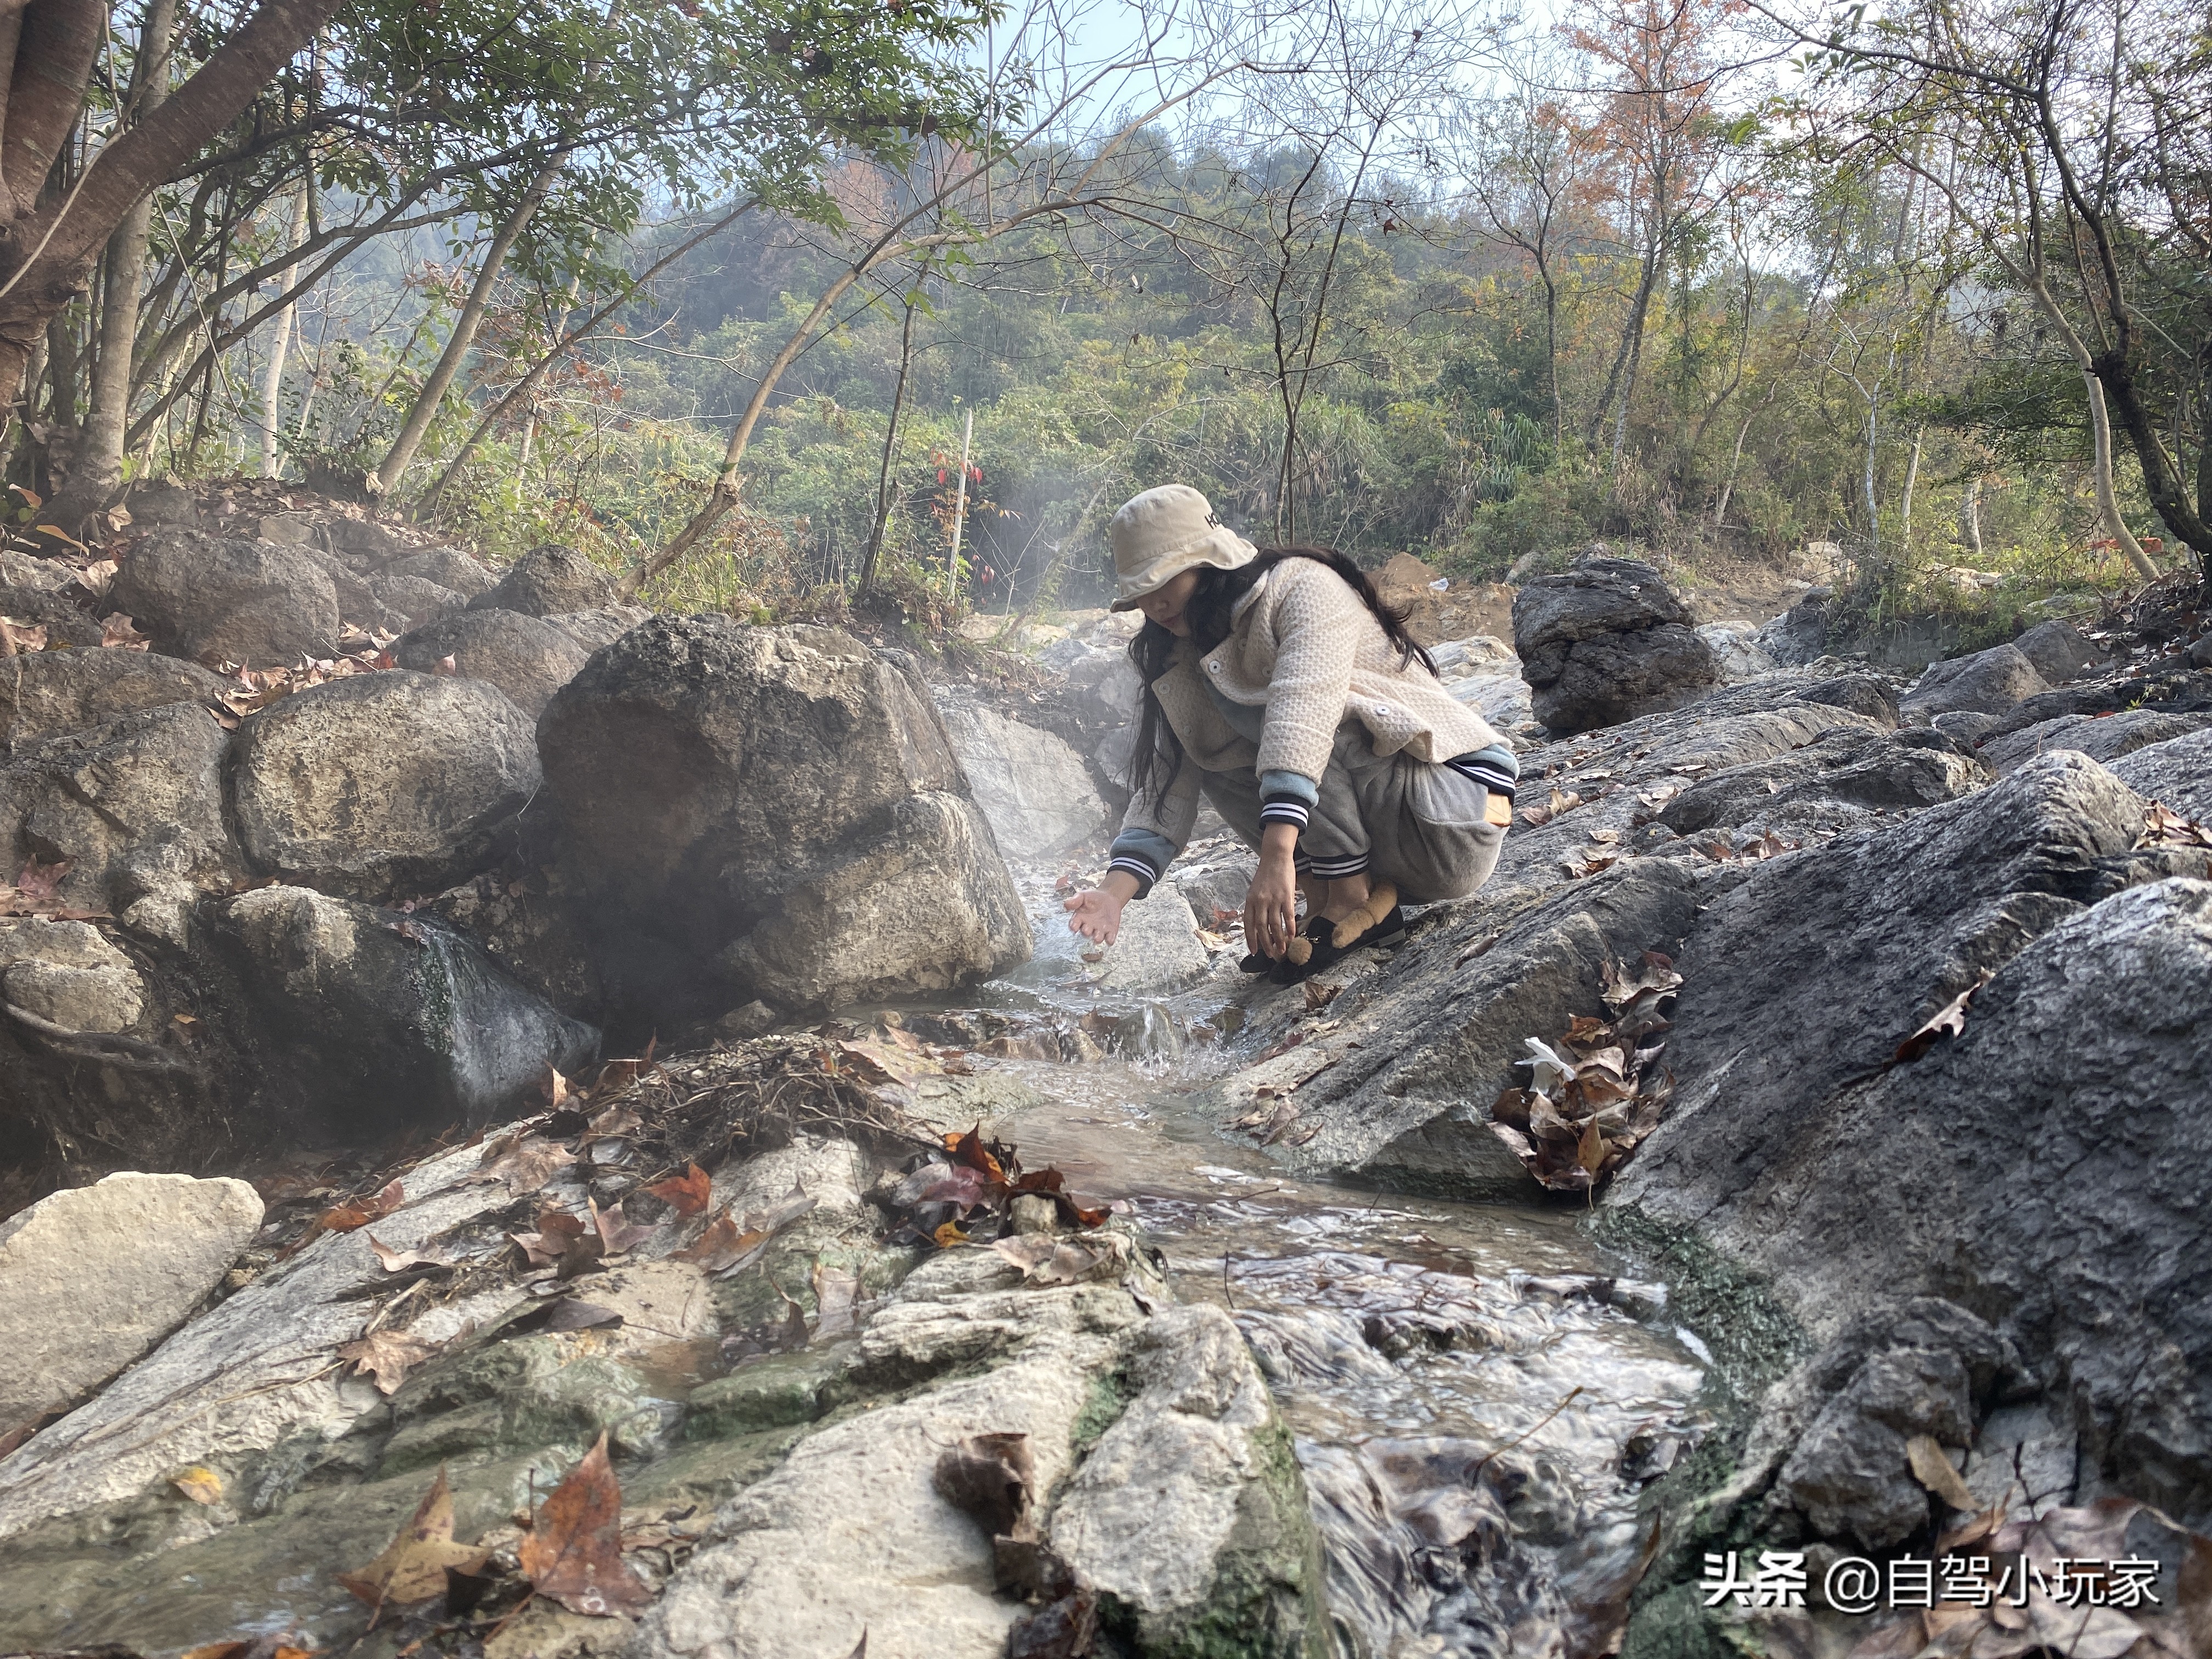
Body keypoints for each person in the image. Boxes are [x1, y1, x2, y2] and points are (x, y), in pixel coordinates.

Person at [1064, 483, 1518, 978]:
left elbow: (1305, 710)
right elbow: (1165, 780)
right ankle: (1333, 900)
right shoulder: (1181, 654)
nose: (1153, 604)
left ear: (1207, 562)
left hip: (1470, 811)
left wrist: (1277, 857)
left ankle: (1348, 896)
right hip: (1400, 834)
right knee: (1209, 750)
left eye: (1163, 581)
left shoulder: (1304, 588)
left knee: (1304, 721)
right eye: (1139, 593)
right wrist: (1113, 895)